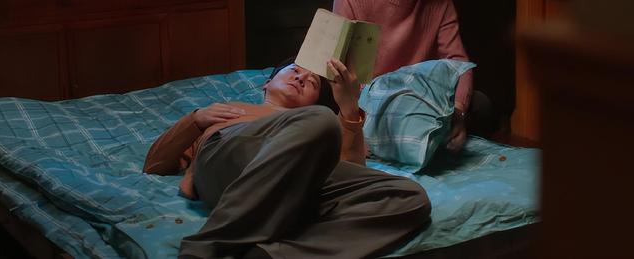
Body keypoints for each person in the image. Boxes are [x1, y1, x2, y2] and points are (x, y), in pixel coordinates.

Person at [144, 58, 430, 259]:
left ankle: (271, 255)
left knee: (409, 197)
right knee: (321, 120)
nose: (301, 77)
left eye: (312, 83)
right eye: (294, 70)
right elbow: (154, 164)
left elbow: (350, 173)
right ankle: (206, 247)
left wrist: (348, 107)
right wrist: (195, 120)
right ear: (267, 84)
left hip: (296, 179)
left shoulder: (317, 125)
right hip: (231, 164)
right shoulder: (229, 111)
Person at [333, 0, 474, 152]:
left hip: (421, 100)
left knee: (478, 105)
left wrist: (459, 112)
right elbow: (337, 68)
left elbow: (458, 64)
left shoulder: (439, 1)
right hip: (368, 102)